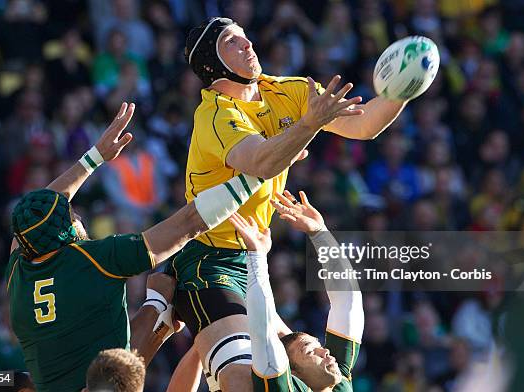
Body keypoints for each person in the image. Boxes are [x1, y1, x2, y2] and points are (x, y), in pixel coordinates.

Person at [171, 16, 407, 391]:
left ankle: (163, 304)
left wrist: (402, 91)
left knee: (254, 370)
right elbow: (262, 161)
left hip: (242, 254)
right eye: (233, 41)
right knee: (242, 378)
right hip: (209, 256)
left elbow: (364, 126)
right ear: (212, 64)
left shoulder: (289, 90)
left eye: (246, 37)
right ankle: (164, 299)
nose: (248, 44)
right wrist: (309, 125)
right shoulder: (216, 114)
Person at [6, 102, 265, 391]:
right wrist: (263, 169)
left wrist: (96, 157)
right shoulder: (92, 259)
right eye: (71, 216)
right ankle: (158, 309)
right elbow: (188, 223)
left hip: (77, 381)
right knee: (161, 292)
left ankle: (158, 310)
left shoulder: (20, 264)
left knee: (157, 301)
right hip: (104, 386)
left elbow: (37, 215)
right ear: (63, 234)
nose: (77, 214)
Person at [230, 189, 364, 391]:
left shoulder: (337, 378)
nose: (325, 352)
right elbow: (264, 335)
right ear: (292, 374)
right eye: (309, 351)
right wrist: (255, 257)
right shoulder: (284, 386)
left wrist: (319, 233)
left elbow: (348, 298)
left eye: (316, 347)